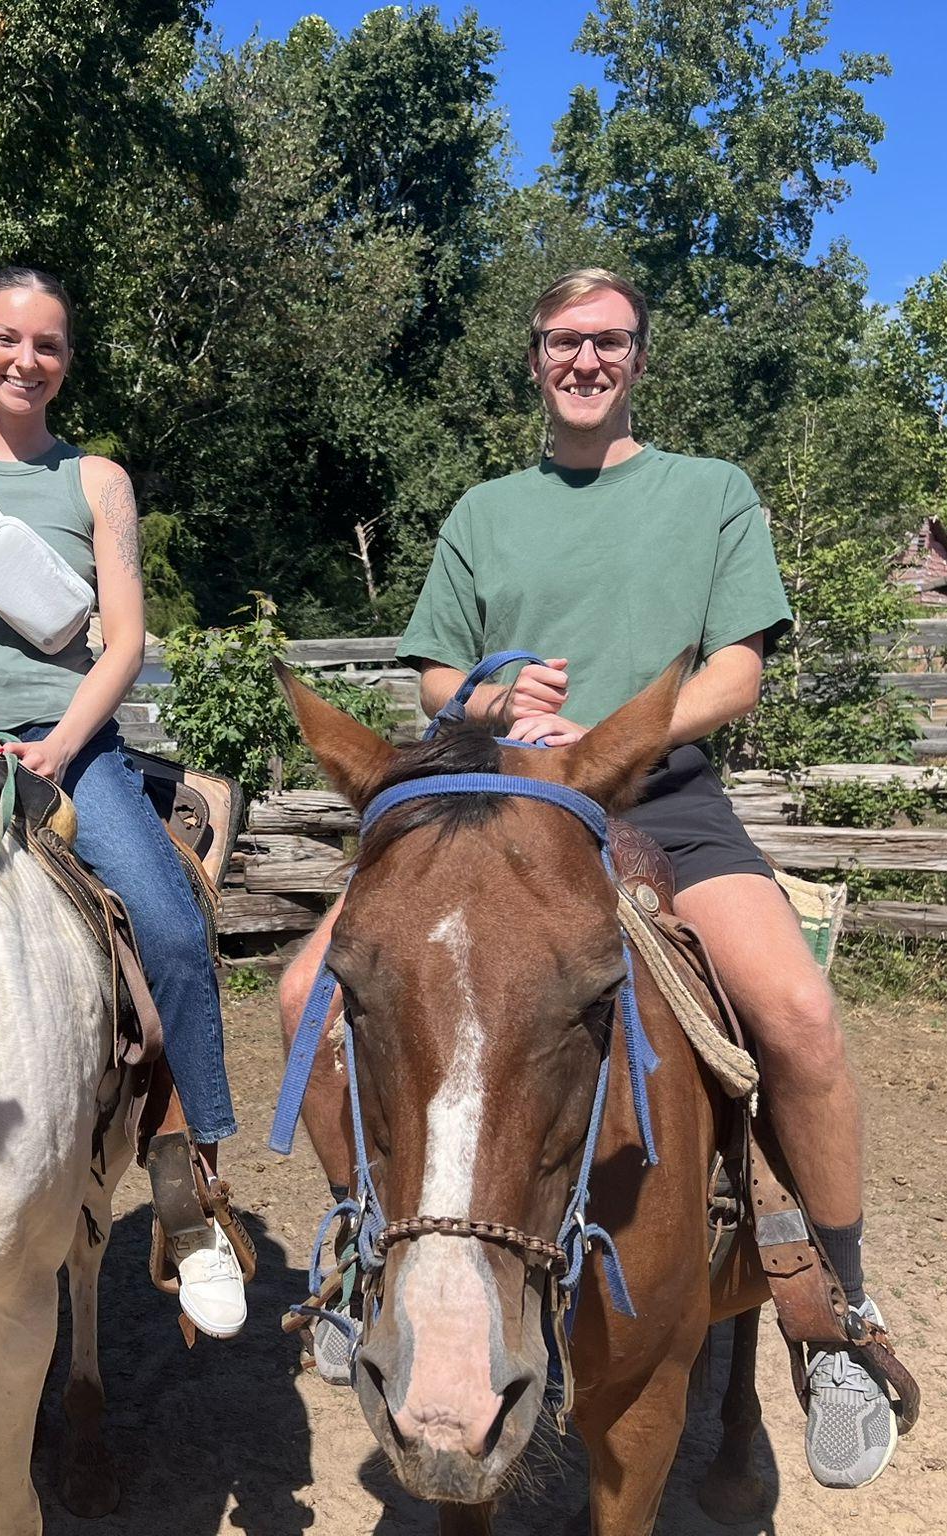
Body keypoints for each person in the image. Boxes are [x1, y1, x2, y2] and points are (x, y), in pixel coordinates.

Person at [279, 267, 897, 1487]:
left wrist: (621, 733)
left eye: (608, 341)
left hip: (658, 795)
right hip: (499, 808)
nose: (586, 360)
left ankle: (837, 1314)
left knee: (799, 1019)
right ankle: (378, 1260)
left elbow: (735, 669)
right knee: (307, 998)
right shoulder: (485, 511)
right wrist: (493, 702)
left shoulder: (709, 493)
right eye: (565, 341)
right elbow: (435, 686)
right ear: (534, 359)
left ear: (638, 360)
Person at [0, 264, 244, 1338]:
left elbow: (124, 637)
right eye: (6, 339)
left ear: (65, 362)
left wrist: (61, 746)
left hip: (76, 749)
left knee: (174, 929)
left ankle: (189, 1197)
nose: (23, 360)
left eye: (46, 345)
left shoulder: (98, 480)